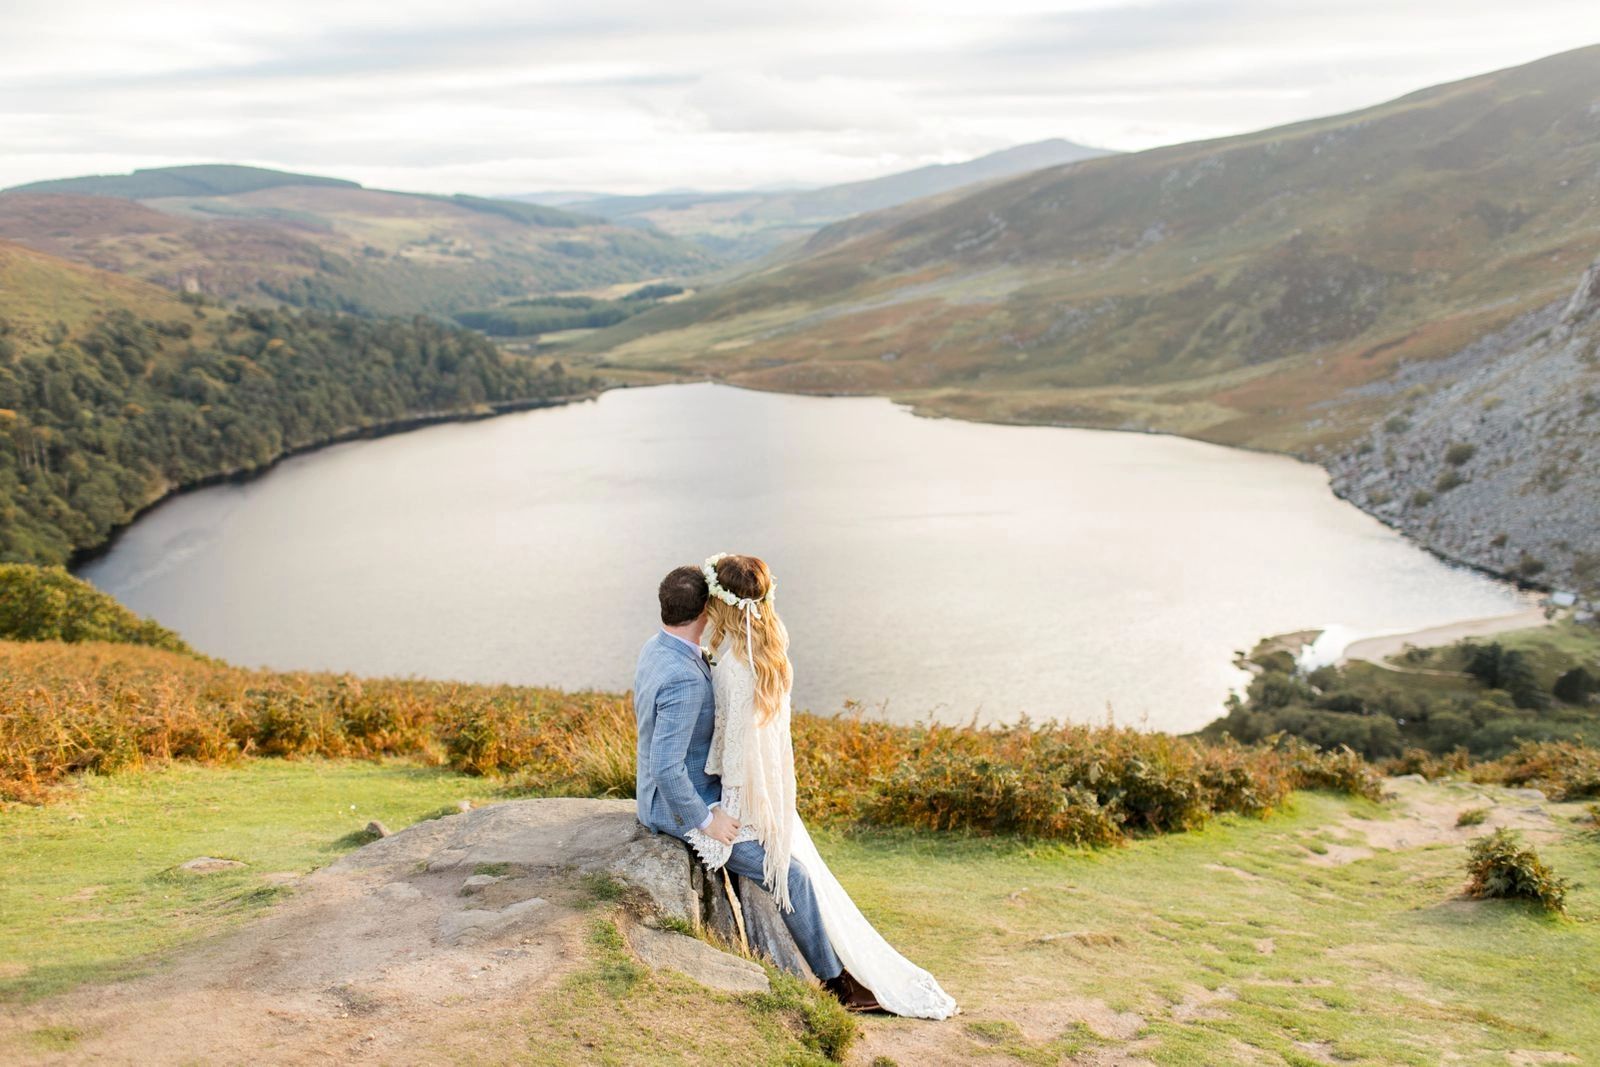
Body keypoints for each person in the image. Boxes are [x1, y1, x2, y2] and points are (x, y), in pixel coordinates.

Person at [635, 558, 957, 1018]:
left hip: (691, 784)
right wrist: (709, 820)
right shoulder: (688, 676)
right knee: (790, 875)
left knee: (790, 856)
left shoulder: (659, 647)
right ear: (706, 610)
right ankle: (836, 983)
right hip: (678, 803)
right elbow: (668, 769)